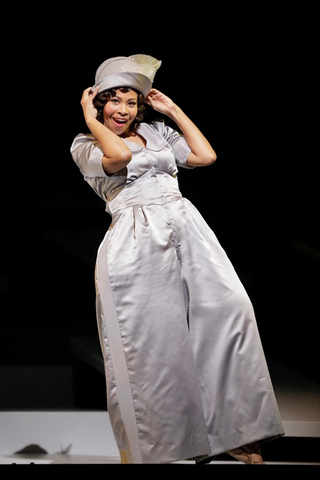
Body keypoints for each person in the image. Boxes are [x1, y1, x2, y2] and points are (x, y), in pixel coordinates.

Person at [70, 54, 284, 464]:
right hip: (134, 242)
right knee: (152, 344)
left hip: (187, 227)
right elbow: (119, 157)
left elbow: (205, 157)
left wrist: (172, 110)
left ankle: (235, 432)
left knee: (231, 310)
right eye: (113, 101)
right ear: (98, 103)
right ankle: (165, 444)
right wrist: (88, 117)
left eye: (131, 102)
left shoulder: (156, 129)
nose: (123, 110)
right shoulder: (85, 143)